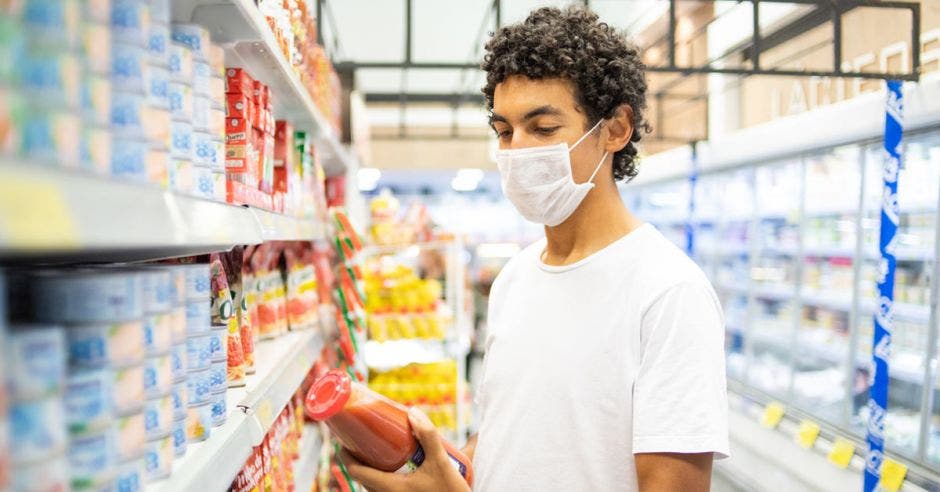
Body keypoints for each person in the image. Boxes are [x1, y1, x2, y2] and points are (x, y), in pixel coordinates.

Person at [341, 6, 729, 491]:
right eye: (504, 131)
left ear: (616, 128)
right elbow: (514, 435)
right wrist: (442, 468)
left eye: (543, 129)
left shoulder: (668, 293)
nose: (517, 151)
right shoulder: (515, 280)